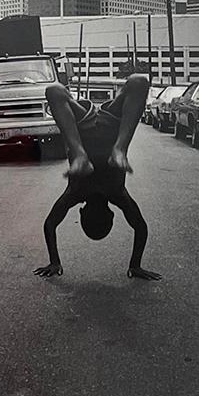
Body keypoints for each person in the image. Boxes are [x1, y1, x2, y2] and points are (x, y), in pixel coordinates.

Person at [35, 62, 161, 281]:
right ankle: (116, 149)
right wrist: (135, 266)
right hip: (100, 126)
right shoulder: (77, 194)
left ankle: (86, 152)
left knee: (139, 82)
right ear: (82, 213)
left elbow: (140, 227)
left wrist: (55, 262)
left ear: (111, 214)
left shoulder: (116, 195)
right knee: (54, 91)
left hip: (90, 126)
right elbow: (49, 225)